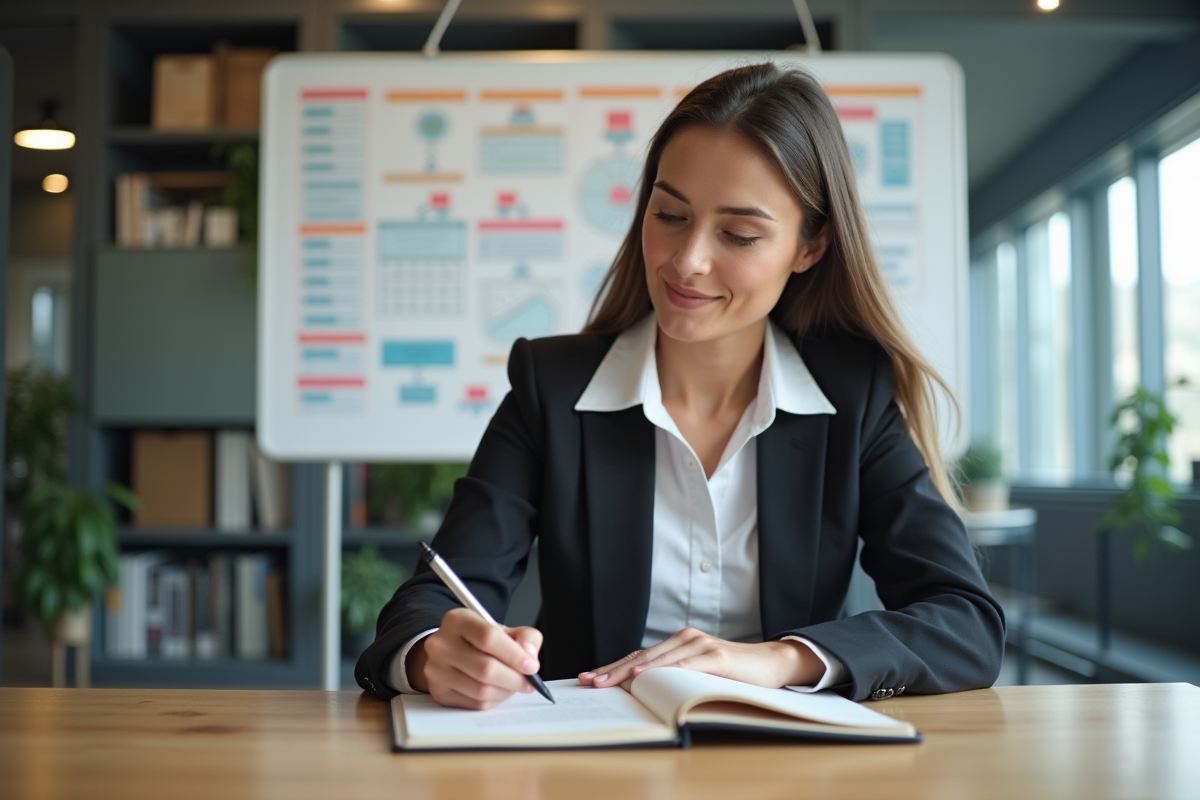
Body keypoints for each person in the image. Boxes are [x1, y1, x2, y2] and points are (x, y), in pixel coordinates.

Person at [355, 62, 1004, 709]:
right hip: (595, 756)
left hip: (791, 765)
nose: (687, 261)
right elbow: (429, 605)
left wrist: (780, 660)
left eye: (739, 234)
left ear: (810, 247)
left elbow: (965, 622)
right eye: (670, 215)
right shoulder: (550, 389)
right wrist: (436, 654)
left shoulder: (852, 398)